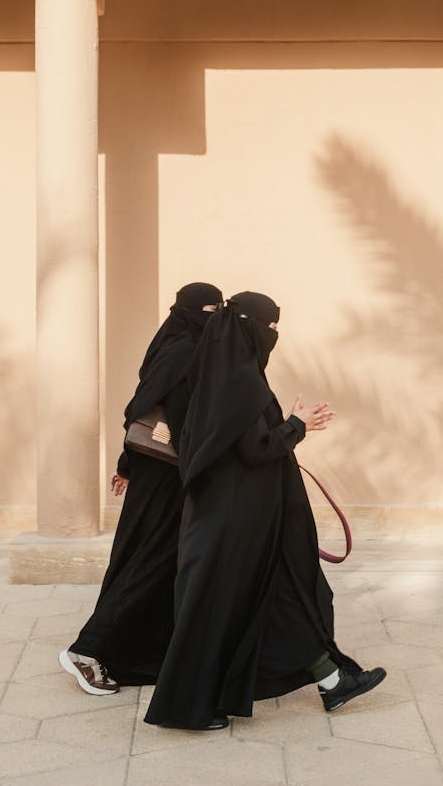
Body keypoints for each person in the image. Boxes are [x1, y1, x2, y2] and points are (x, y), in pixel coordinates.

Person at [145, 291, 385, 730]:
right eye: (269, 327)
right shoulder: (242, 383)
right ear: (248, 328)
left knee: (273, 597)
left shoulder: (218, 377)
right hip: (241, 521)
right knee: (229, 607)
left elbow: (236, 441)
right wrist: (297, 426)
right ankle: (189, 708)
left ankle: (332, 680)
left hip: (231, 516)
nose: (273, 335)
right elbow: (256, 449)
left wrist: (283, 423)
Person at [59, 282, 223, 696]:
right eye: (210, 309)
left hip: (156, 471)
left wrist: (127, 465)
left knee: (149, 559)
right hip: (167, 475)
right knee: (150, 560)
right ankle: (86, 650)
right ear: (189, 312)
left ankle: (138, 651)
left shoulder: (175, 343)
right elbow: (157, 415)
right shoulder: (185, 350)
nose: (215, 317)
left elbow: (150, 410)